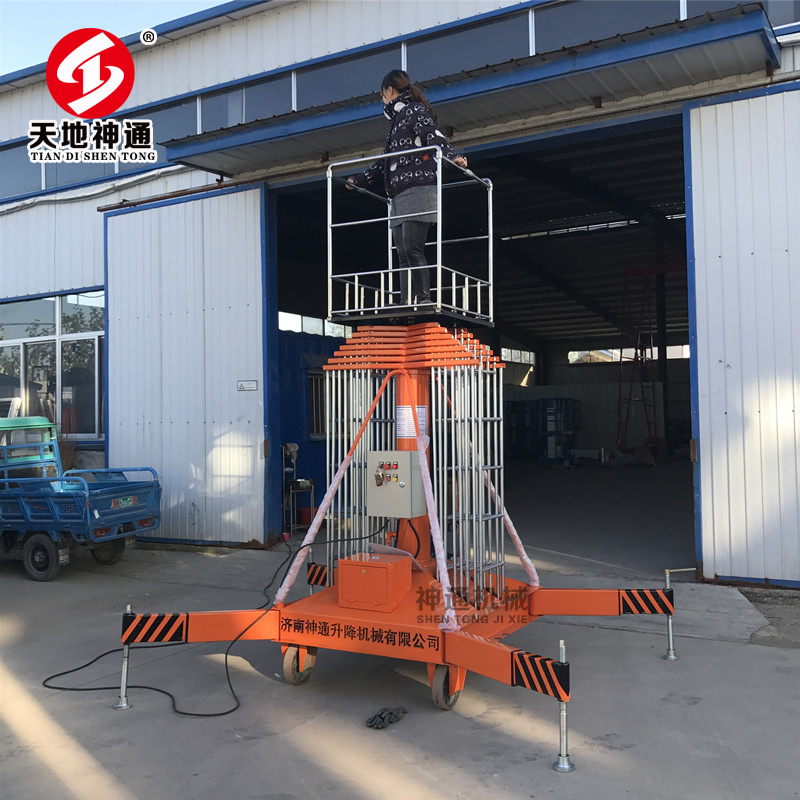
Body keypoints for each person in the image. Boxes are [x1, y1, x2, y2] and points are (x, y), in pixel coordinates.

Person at [348, 69, 468, 305]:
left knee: (413, 247)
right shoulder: (396, 122)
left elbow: (433, 135)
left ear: (389, 90)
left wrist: (452, 156)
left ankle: (423, 298)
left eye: (382, 95)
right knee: (402, 252)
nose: (382, 100)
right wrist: (359, 180)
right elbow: (385, 161)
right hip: (398, 194)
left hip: (418, 187)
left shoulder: (414, 110)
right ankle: (406, 300)